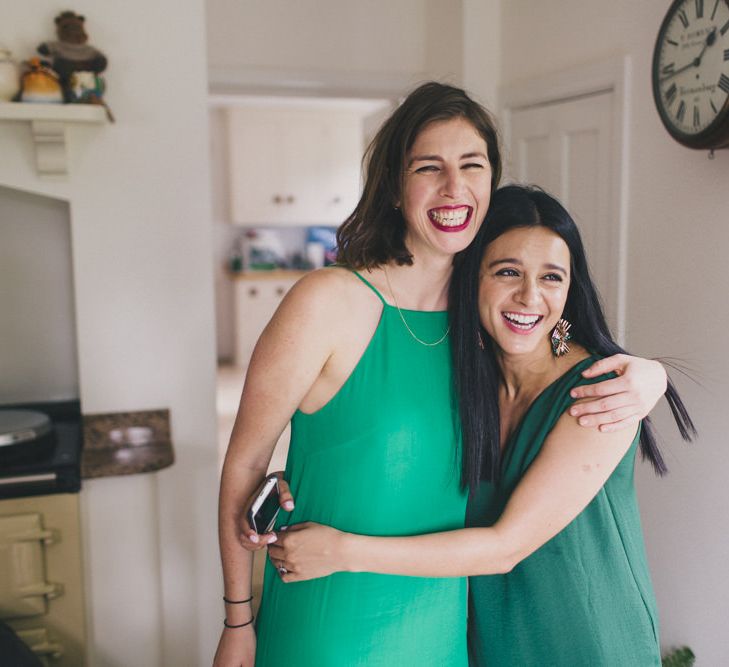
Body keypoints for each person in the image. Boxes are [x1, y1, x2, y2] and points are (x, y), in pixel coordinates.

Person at [214, 83, 668, 667]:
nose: (454, 188)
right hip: (330, 619)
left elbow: (552, 372)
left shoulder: (482, 319)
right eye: (429, 167)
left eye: (471, 166)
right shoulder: (327, 302)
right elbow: (247, 462)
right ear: (395, 187)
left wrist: (652, 376)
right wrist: (237, 621)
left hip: (447, 629)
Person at [265, 185, 695, 666]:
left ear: (570, 291)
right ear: (474, 279)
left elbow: (504, 548)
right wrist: (302, 482)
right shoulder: (467, 382)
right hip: (492, 644)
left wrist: (341, 551)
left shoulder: (600, 395)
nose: (530, 297)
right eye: (507, 271)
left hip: (589, 643)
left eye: (551, 278)